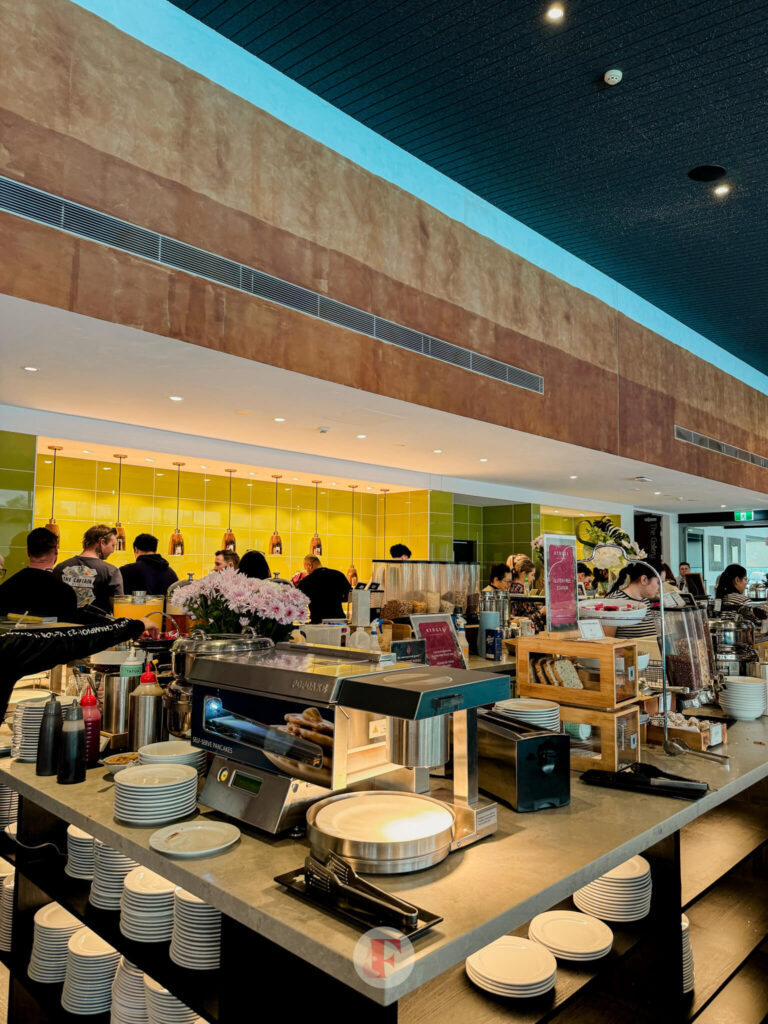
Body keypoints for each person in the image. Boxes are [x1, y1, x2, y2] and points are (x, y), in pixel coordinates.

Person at [0, 616, 158, 721]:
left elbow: (67, 640)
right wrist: (134, 625)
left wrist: (132, 626)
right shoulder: (7, 647)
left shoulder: (7, 645)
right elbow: (70, 640)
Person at [0, 528, 90, 623]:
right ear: (56, 551)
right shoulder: (64, 592)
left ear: (27, 552)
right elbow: (68, 632)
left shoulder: (6, 587)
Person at [52, 525, 123, 614]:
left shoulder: (60, 568)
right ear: (102, 542)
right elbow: (118, 610)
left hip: (64, 626)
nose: (113, 550)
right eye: (113, 545)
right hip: (97, 626)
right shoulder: (111, 571)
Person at [603, 560, 662, 640]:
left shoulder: (644, 601)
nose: (661, 588)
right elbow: (608, 640)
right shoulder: (614, 601)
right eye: (659, 583)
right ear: (644, 579)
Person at [297, 555, 351, 623]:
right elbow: (349, 597)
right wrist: (335, 598)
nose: (306, 572)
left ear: (310, 565)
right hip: (338, 621)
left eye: (306, 568)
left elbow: (298, 601)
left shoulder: (306, 581)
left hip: (318, 622)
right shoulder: (338, 575)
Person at [507, 554, 545, 632]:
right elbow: (525, 619)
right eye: (532, 575)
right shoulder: (520, 591)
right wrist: (541, 612)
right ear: (524, 574)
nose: (534, 578)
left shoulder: (511, 587)